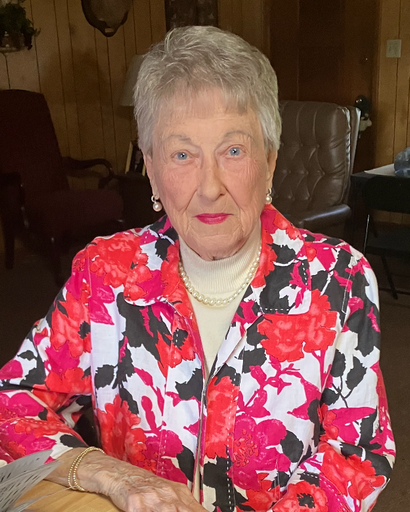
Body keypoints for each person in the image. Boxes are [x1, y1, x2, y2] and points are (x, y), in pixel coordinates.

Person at [0, 26, 395, 512]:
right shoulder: (106, 271)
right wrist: (109, 473)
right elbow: (12, 402)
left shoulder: (338, 279)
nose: (209, 187)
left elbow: (357, 455)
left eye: (233, 151)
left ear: (270, 161)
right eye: (182, 154)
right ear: (151, 167)